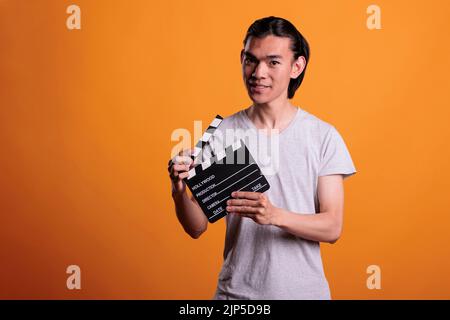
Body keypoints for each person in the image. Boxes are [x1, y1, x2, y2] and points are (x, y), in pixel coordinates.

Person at [167, 16, 357, 299]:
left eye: (273, 62)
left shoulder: (323, 136)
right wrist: (178, 189)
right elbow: (197, 227)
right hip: (236, 296)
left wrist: (275, 216)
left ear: (297, 66)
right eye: (251, 60)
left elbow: (332, 227)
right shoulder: (221, 133)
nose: (258, 72)